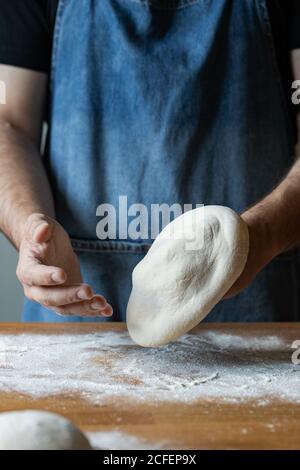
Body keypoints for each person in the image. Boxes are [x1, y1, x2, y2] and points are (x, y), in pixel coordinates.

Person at [0, 0, 299, 323]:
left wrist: (257, 238)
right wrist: (31, 227)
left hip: (255, 321)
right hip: (81, 311)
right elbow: (9, 124)